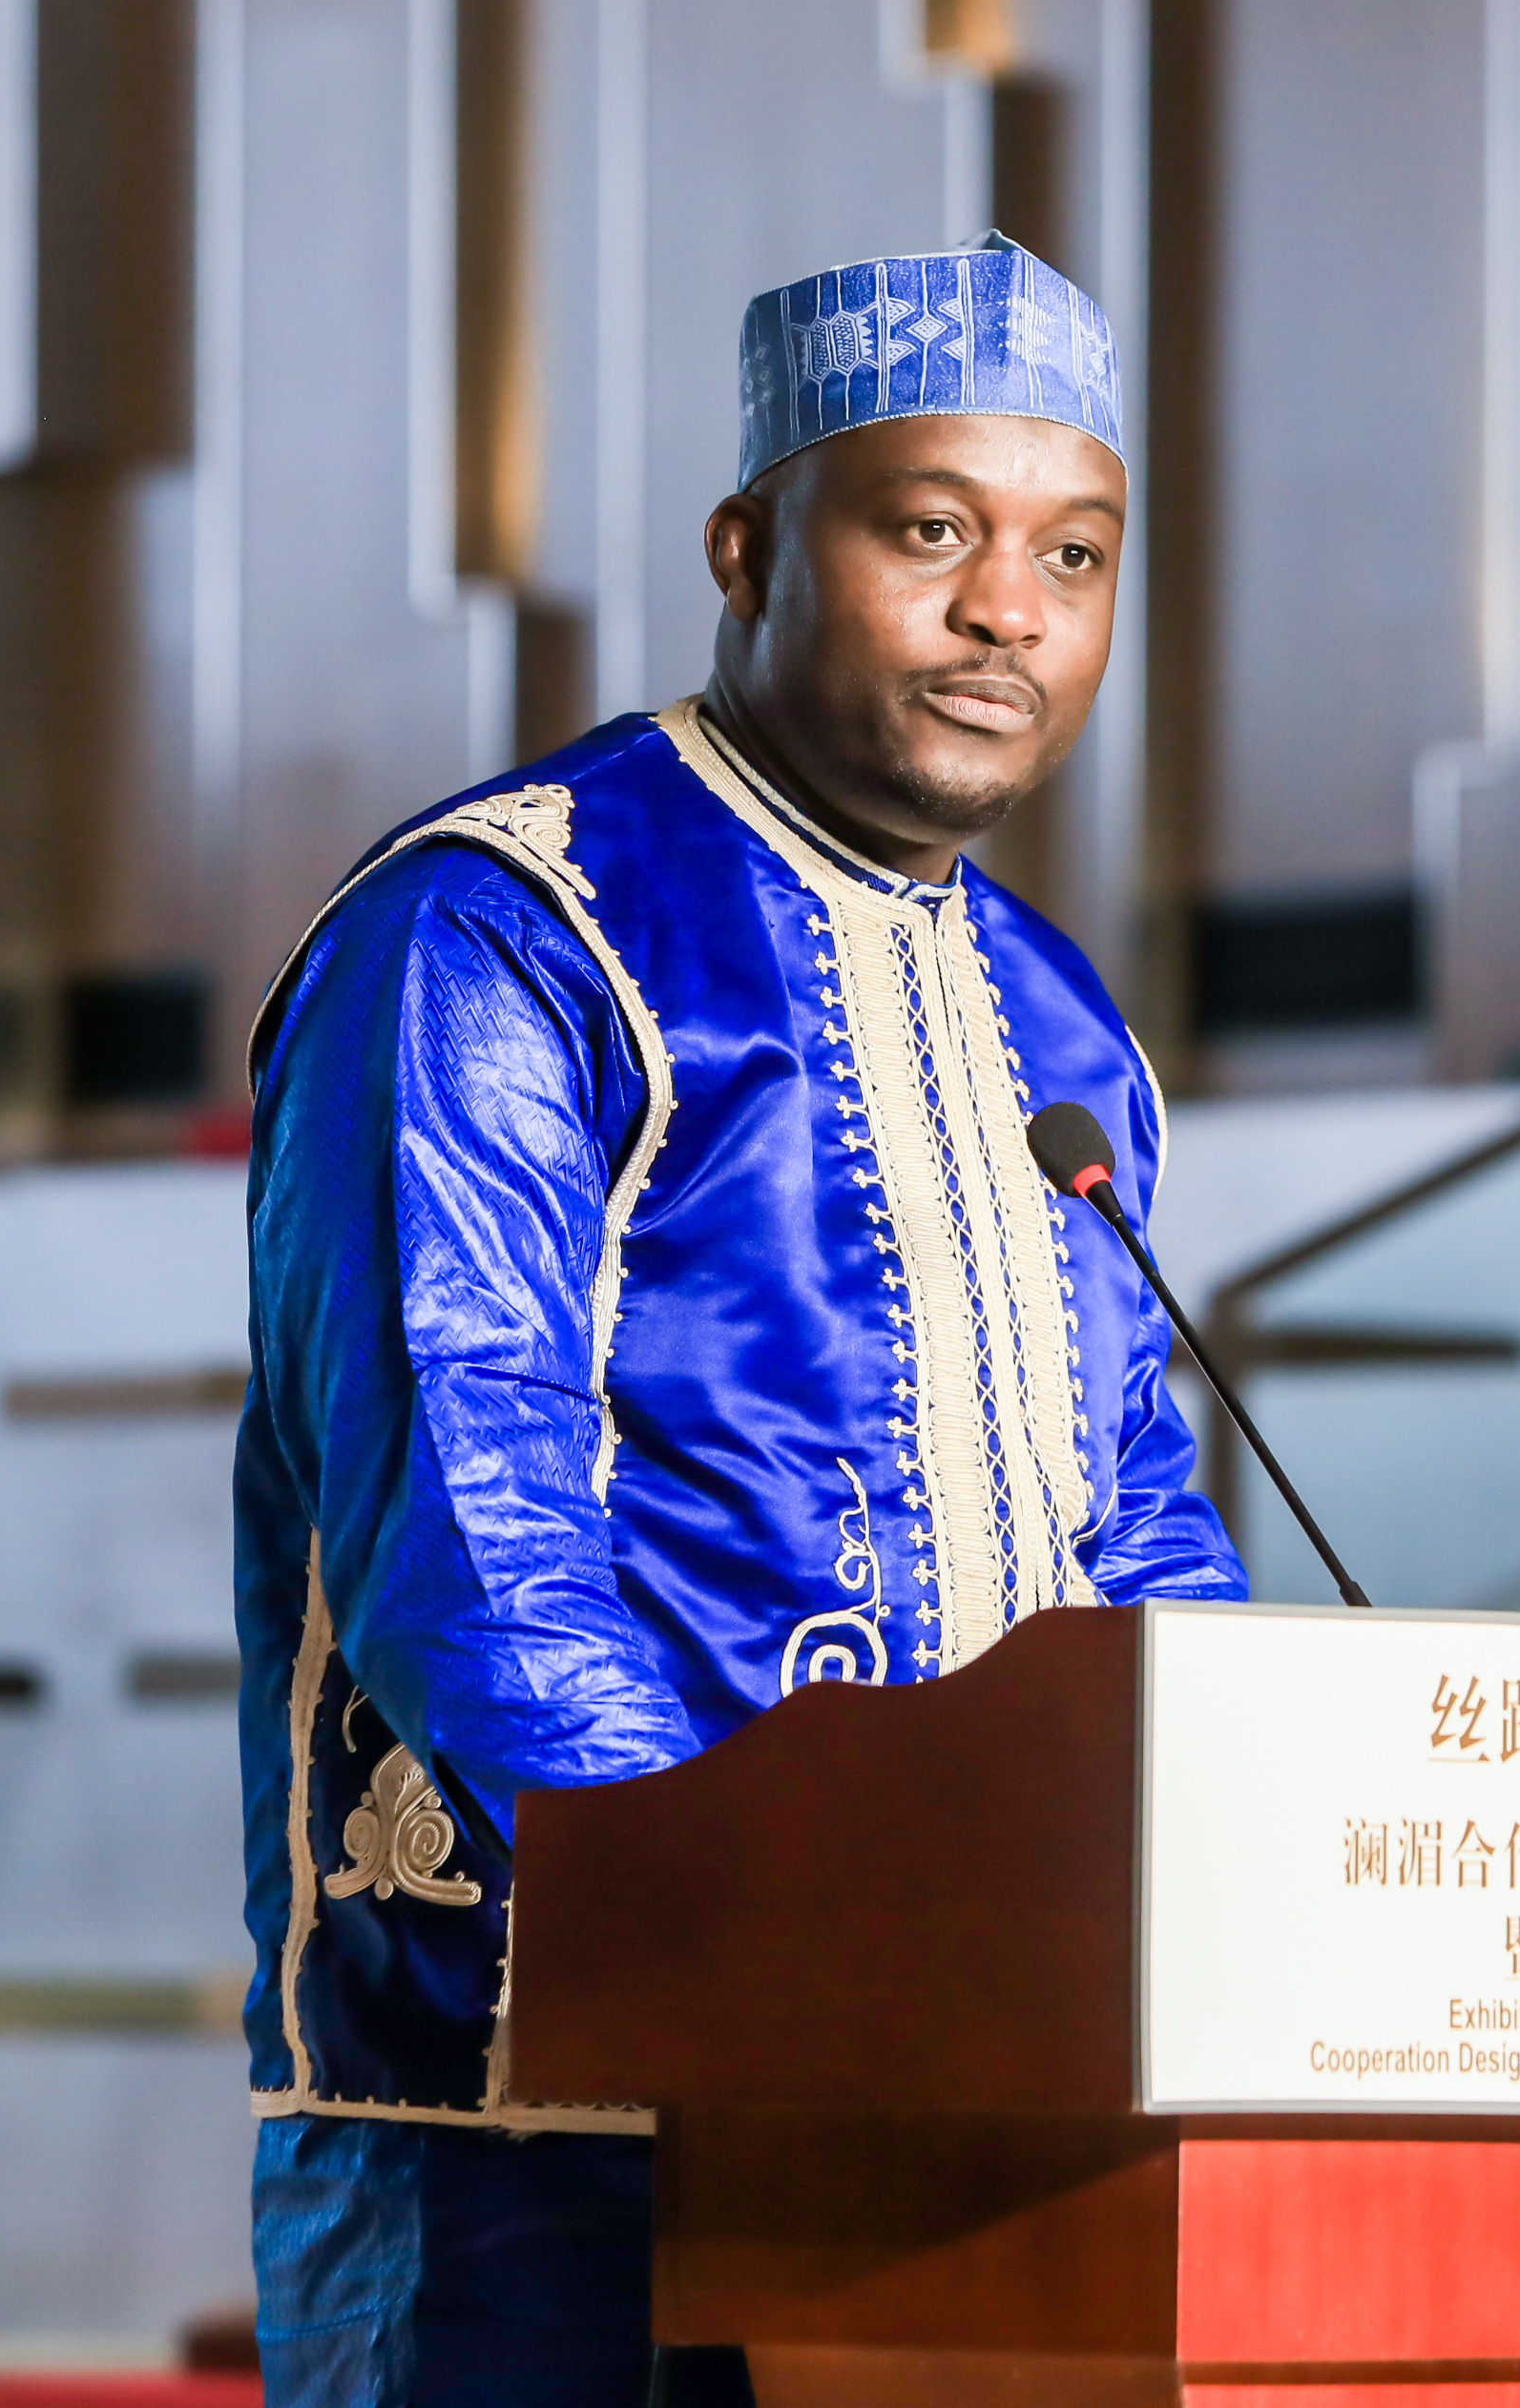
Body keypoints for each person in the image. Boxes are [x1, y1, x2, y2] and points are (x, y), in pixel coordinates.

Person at [232, 232, 1246, 2408]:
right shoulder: (508, 928)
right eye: (933, 532)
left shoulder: (1063, 1026)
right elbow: (465, 1521)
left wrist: (1244, 1864)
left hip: (982, 2131)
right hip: (537, 2137)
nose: (1009, 611)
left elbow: (1136, 1522)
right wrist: (777, 1977)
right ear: (747, 548)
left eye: (1074, 554)